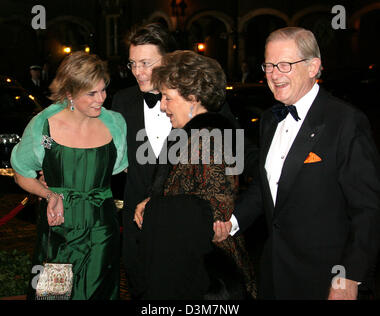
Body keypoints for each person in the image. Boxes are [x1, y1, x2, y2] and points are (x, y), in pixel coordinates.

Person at [213, 27, 380, 300]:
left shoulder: (345, 122)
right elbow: (268, 186)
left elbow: (368, 210)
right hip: (275, 273)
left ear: (314, 67)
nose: (274, 74)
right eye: (268, 65)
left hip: (326, 280)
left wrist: (349, 277)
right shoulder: (269, 120)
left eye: (285, 65)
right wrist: (231, 222)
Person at [111, 22, 244, 299]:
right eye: (132, 63)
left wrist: (234, 218)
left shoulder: (210, 115)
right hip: (140, 236)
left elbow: (237, 167)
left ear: (168, 60)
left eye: (146, 63)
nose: (138, 72)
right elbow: (108, 151)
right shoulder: (122, 102)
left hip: (193, 248)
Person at [133, 50, 256, 299]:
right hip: (193, 263)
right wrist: (153, 203)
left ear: (192, 97)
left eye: (167, 97)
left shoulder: (209, 139)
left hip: (209, 276)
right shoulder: (192, 136)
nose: (163, 106)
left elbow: (216, 208)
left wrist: (156, 208)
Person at [11, 51, 128, 300]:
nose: (101, 99)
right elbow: (21, 174)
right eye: (92, 93)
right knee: (54, 296)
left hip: (101, 233)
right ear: (69, 93)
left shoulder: (115, 124)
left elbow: (121, 169)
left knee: (98, 295)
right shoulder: (44, 126)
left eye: (103, 90)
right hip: (58, 233)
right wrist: (49, 193)